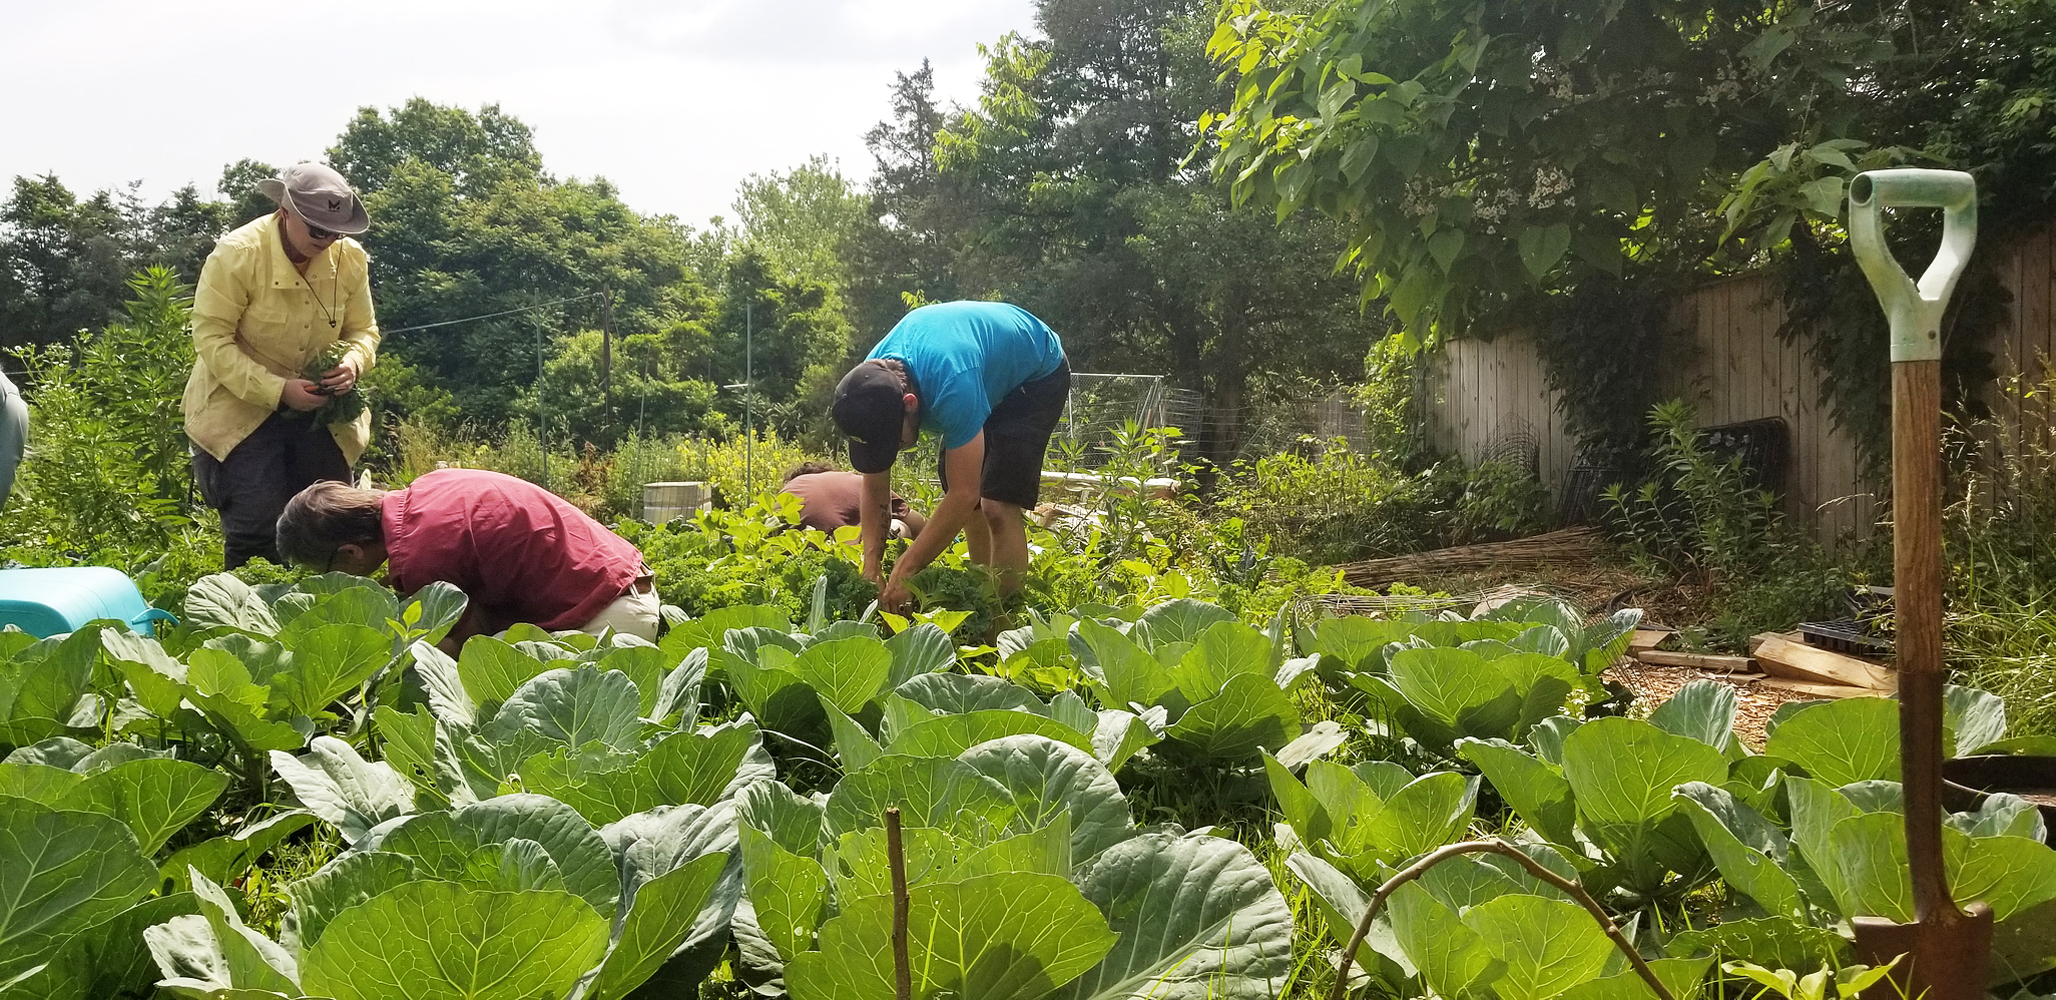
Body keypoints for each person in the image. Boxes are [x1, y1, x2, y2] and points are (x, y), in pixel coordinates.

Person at [184, 162, 378, 569]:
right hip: (240, 409)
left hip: (323, 413)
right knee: (257, 529)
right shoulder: (237, 255)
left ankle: (327, 620)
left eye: (336, 230)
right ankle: (248, 623)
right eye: (317, 229)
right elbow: (211, 339)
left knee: (330, 526)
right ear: (285, 212)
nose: (327, 240)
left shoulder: (351, 260)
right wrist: (278, 390)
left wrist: (353, 362)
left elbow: (365, 331)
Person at [830, 300, 1069, 612]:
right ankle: (981, 595)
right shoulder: (868, 388)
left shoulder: (952, 384)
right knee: (968, 505)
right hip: (977, 370)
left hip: (1034, 374)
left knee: (995, 502)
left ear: (911, 404)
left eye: (892, 441)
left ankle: (1003, 611)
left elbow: (964, 493)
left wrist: (907, 567)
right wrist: (871, 566)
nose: (892, 450)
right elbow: (875, 488)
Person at [274, 468, 658, 653]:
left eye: (328, 570)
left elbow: (459, 647)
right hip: (630, 583)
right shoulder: (428, 487)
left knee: (480, 675)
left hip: (610, 624)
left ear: (350, 553)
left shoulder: (418, 557)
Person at [780, 462, 927, 538]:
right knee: (896, 525)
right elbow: (922, 526)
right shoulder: (853, 480)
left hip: (797, 551)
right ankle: (891, 537)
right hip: (850, 547)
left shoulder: (789, 490)